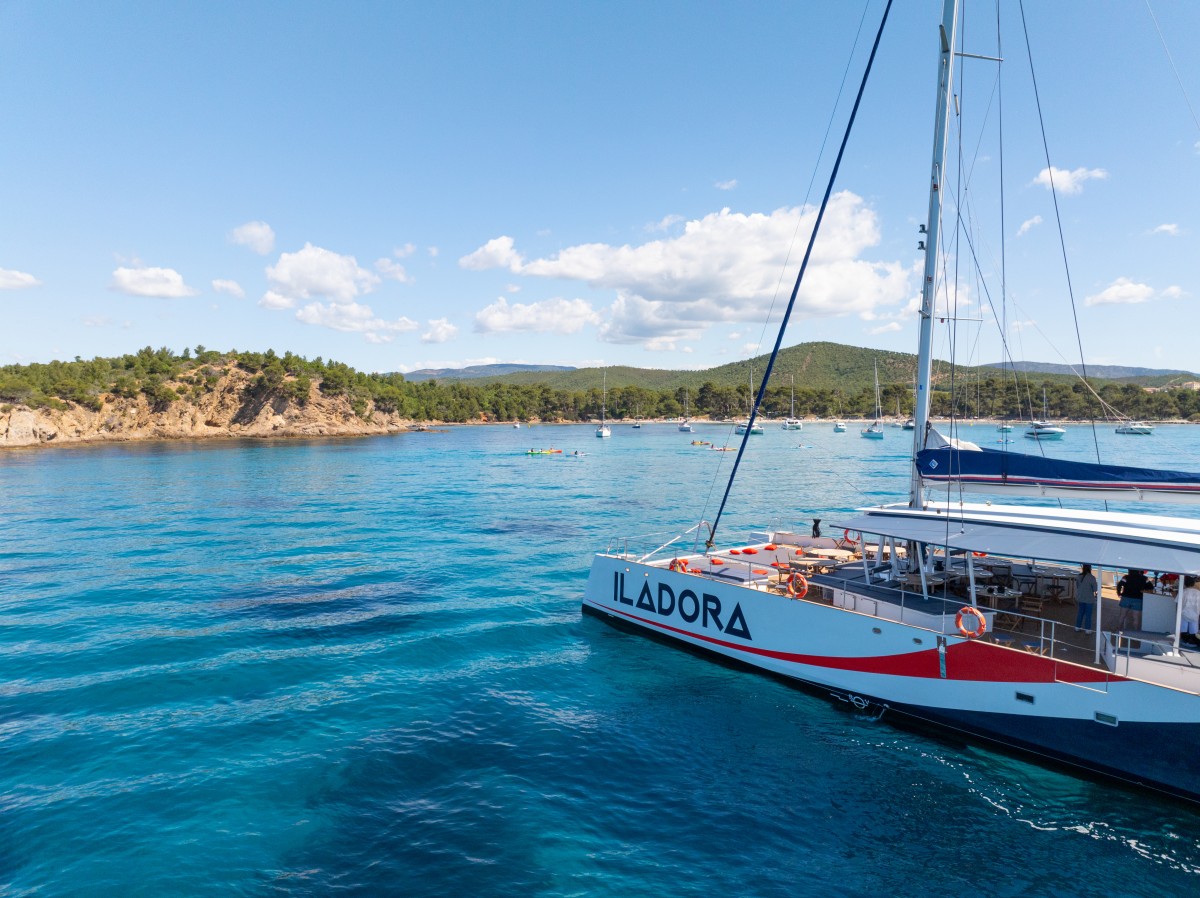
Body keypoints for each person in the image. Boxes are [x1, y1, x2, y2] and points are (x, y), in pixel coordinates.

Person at [1116, 568, 1150, 633]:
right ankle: (1135, 632)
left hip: (1126, 598)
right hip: (1138, 599)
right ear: (1139, 571)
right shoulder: (1144, 578)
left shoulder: (1126, 577)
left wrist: (1119, 593)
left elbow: (1119, 585)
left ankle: (1118, 630)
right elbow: (1150, 587)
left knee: (1122, 616)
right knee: (1135, 618)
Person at [1074, 564, 1097, 631]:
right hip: (1089, 599)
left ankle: (1077, 627)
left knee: (1080, 612)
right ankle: (1087, 629)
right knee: (1088, 614)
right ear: (1090, 568)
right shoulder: (1092, 578)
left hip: (1080, 597)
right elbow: (1095, 589)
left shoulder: (1078, 576)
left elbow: (1078, 586)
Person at [1181, 576, 1200, 647]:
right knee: (1193, 629)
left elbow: (1178, 601)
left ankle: (1185, 641)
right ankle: (1192, 641)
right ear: (1194, 583)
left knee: (1183, 628)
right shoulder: (1198, 592)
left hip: (1184, 613)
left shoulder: (1183, 591)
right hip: (1195, 613)